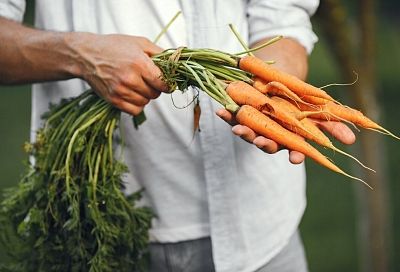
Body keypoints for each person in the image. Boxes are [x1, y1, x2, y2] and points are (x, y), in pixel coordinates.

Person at [0, 1, 355, 271]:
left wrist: (275, 90)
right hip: (102, 230)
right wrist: (80, 54)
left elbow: (281, 16)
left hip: (261, 234)